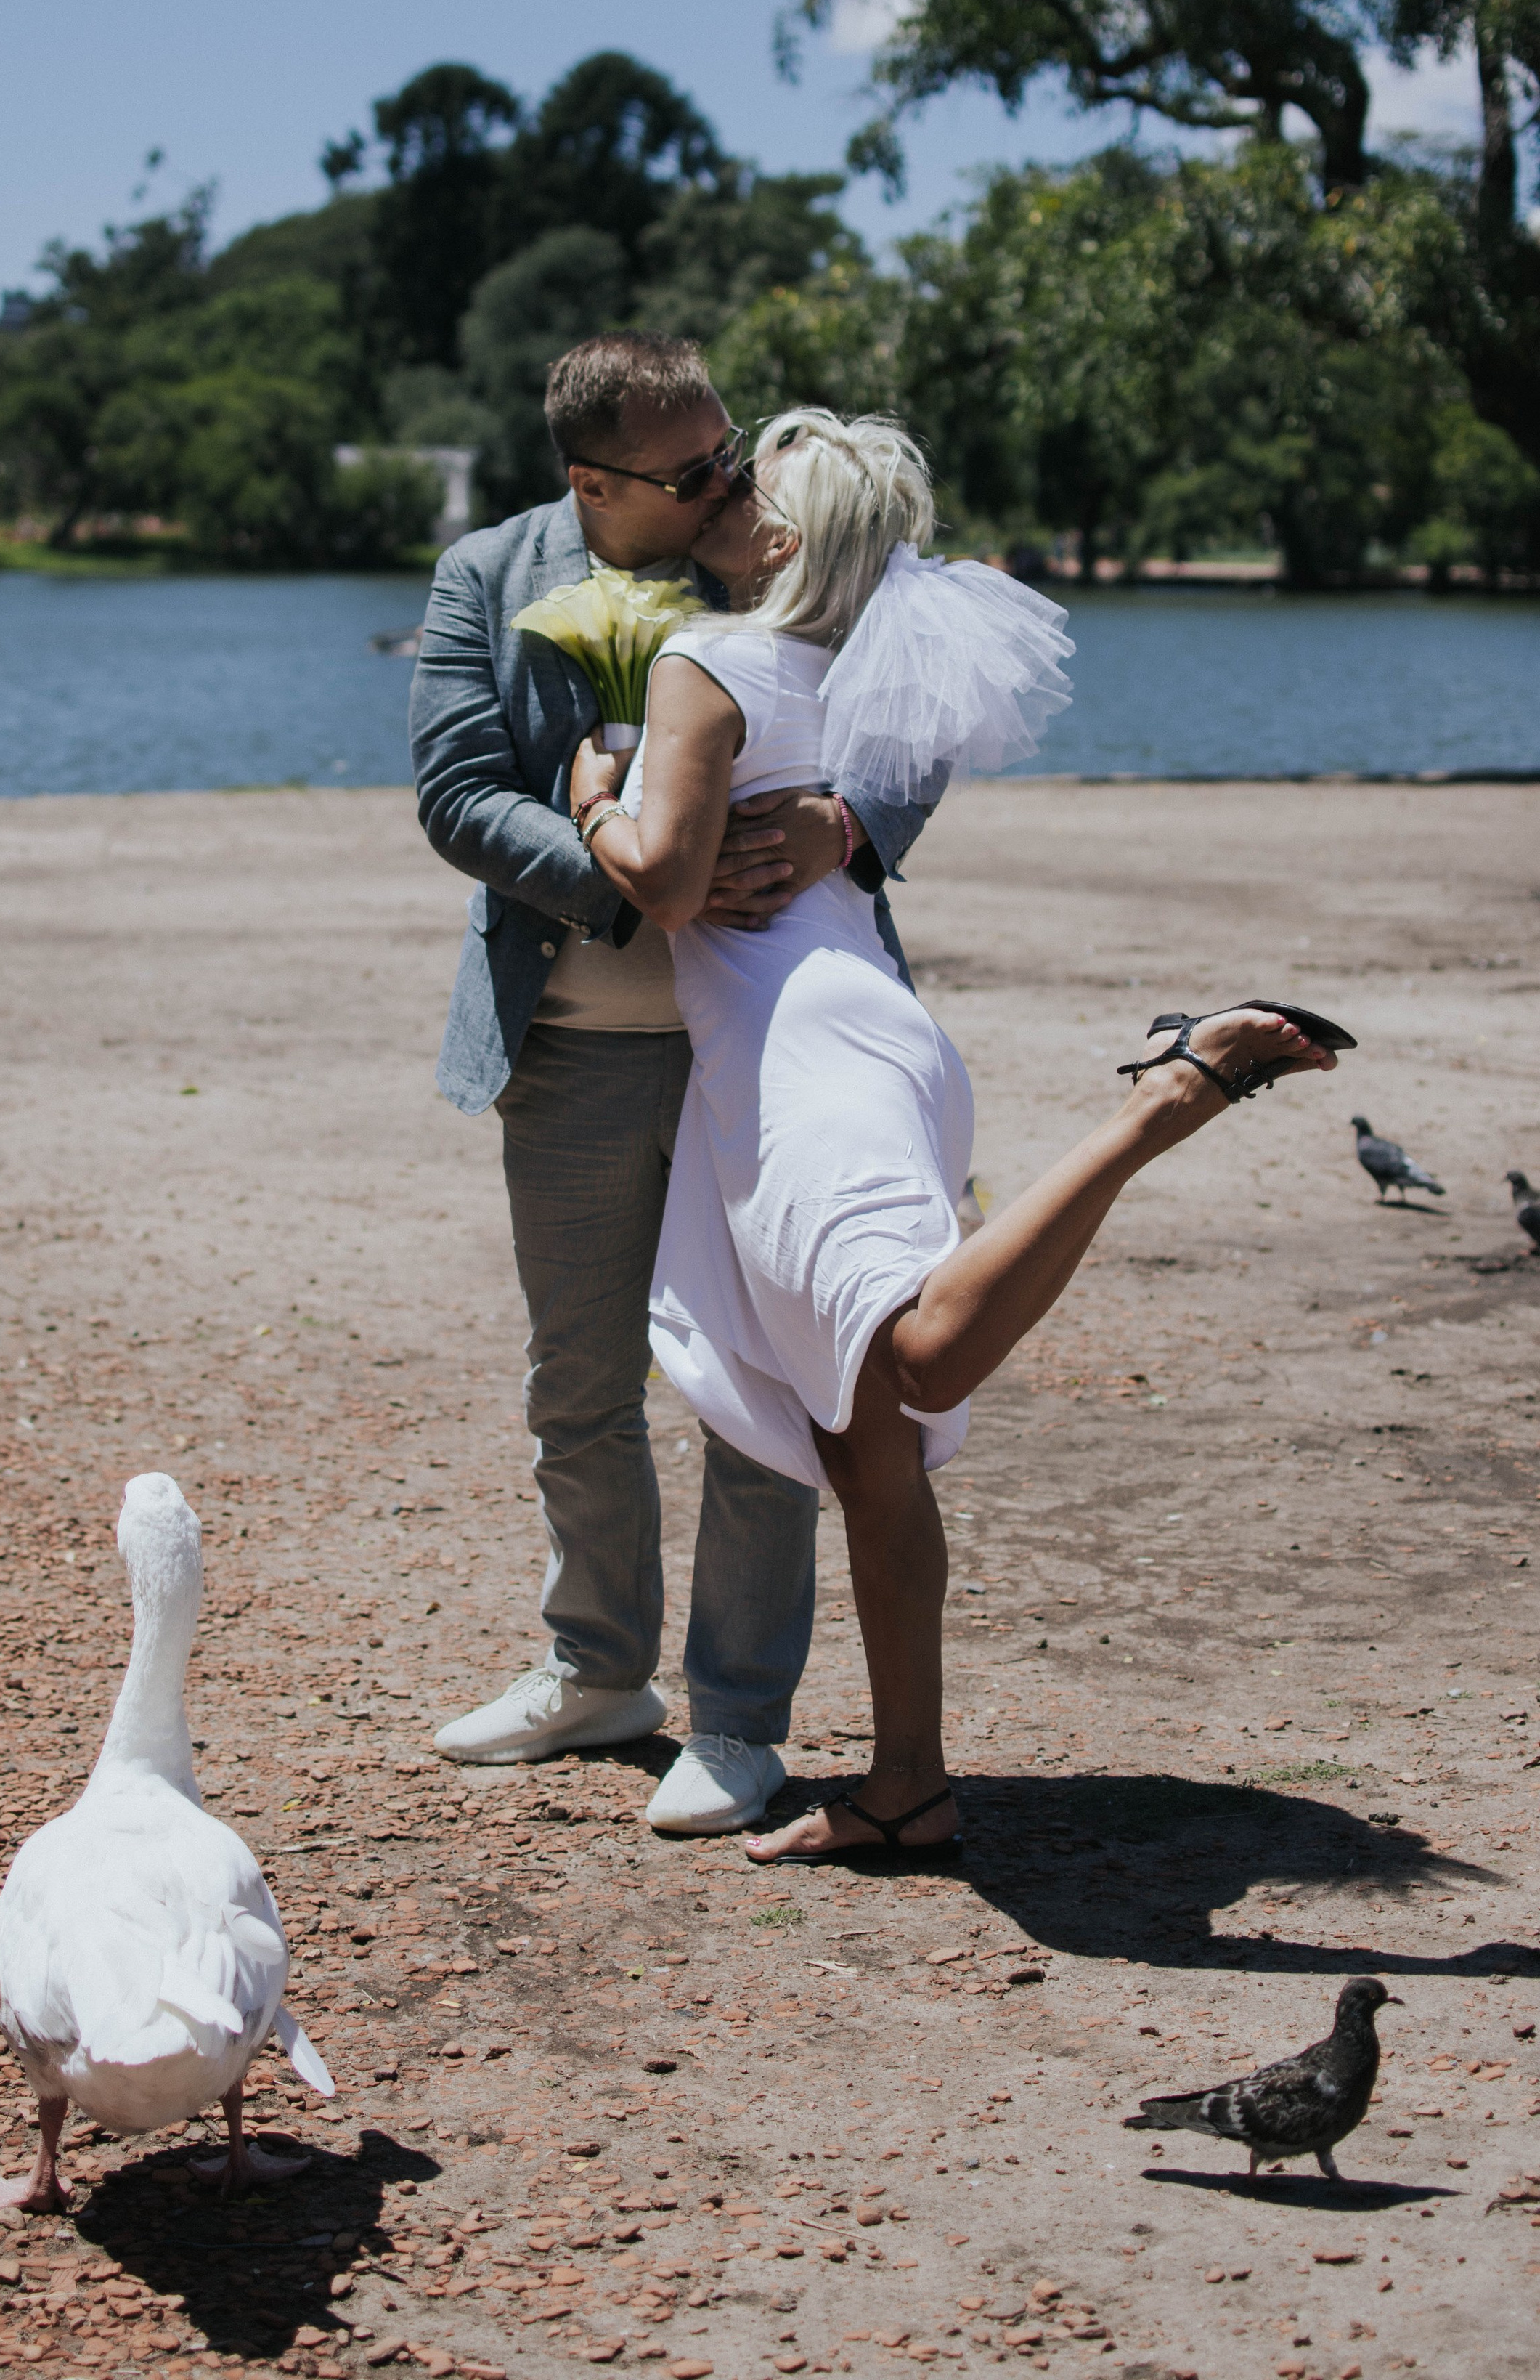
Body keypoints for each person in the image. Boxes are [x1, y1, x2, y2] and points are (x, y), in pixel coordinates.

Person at [571, 408, 1344, 1861]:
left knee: (912, 1362)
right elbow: (825, 820)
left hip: (804, 1055)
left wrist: (597, 798)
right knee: (865, 1449)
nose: (715, 494)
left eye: (741, 485)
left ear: (783, 539)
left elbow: (667, 888)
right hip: (859, 1033)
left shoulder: (705, 663)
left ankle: (1162, 1098)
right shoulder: (848, 674)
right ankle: (906, 1785)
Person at [408, 336, 942, 1835]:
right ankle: (594, 1672)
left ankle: (742, 1720)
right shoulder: (485, 573)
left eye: (726, 451)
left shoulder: (769, 553)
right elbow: (456, 790)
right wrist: (646, 883)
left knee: (753, 1390)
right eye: (693, 465)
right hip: (568, 1041)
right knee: (576, 1381)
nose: (728, 478)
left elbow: (923, 702)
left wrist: (850, 822)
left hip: (761, 1050)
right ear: (593, 482)